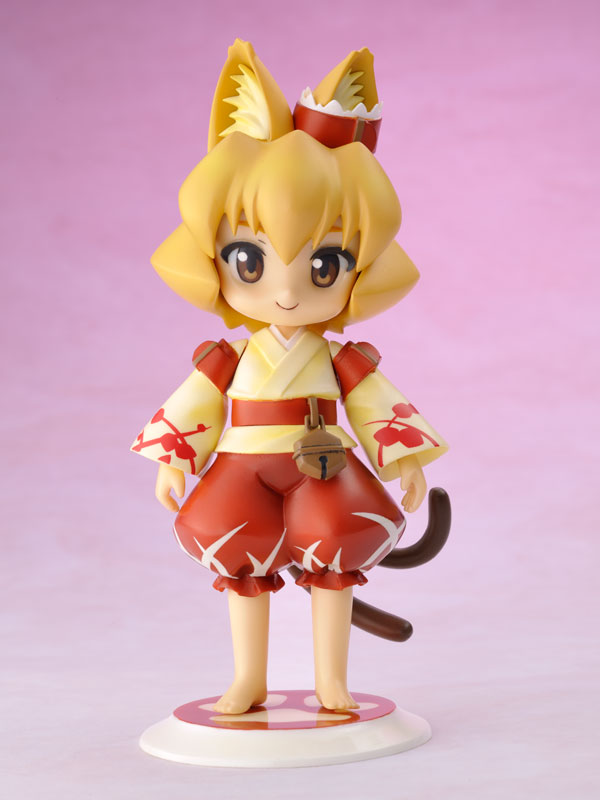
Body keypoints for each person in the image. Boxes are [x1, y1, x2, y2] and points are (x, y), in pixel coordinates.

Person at [132, 40, 447, 714]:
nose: (285, 292)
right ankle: (250, 678)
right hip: (242, 464)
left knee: (336, 558)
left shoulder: (339, 360)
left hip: (322, 463)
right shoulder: (228, 359)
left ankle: (331, 681)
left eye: (324, 266)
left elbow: (375, 403)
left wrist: (406, 457)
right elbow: (194, 404)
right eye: (249, 260)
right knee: (238, 555)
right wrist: (171, 460)